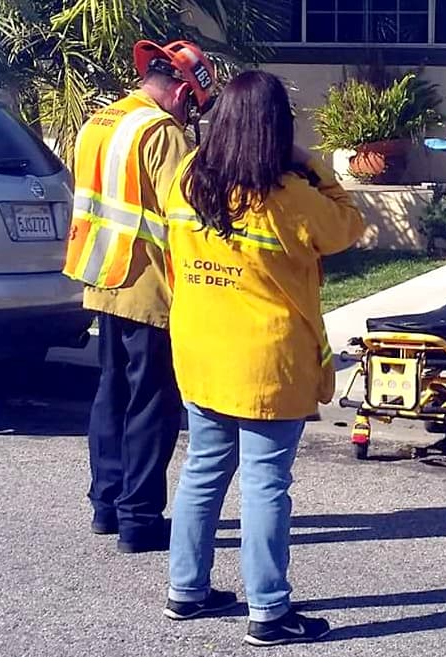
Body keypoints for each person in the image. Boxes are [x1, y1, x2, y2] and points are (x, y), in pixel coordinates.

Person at [162, 70, 366, 646]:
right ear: (276, 130)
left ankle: (187, 590)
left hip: (201, 350)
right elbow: (348, 226)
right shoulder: (287, 197)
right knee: (265, 483)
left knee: (202, 473)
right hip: (266, 362)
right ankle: (269, 611)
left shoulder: (187, 179)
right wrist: (314, 163)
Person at [63, 39, 218, 554]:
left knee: (111, 394)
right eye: (192, 101)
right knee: (152, 403)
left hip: (103, 278)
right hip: (150, 285)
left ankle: (106, 506)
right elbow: (189, 214)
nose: (189, 111)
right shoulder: (162, 133)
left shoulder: (100, 122)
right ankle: (141, 518)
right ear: (180, 90)